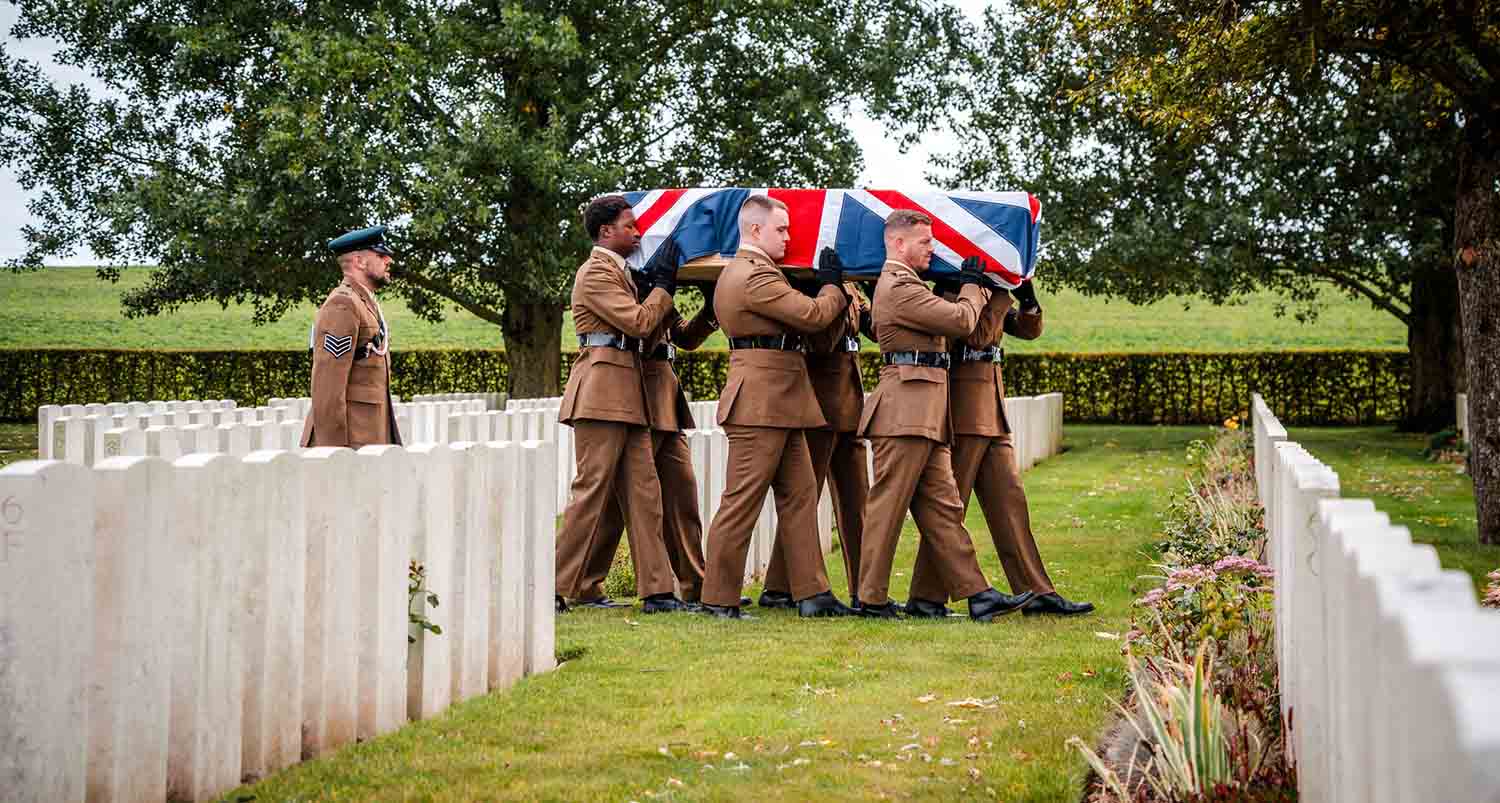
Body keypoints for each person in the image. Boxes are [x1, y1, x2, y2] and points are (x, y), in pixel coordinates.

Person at [854, 209, 1034, 622]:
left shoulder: (912, 284)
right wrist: (973, 284)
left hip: (927, 409)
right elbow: (961, 320)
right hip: (904, 409)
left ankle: (979, 594)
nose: (933, 249)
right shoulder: (898, 285)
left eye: (935, 241)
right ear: (899, 244)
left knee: (944, 507)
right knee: (888, 506)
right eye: (925, 242)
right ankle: (871, 598)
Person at [699, 195, 853, 619]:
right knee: (742, 501)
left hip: (780, 401)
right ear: (754, 231)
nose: (789, 237)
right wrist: (832, 285)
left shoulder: (762, 273)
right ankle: (718, 597)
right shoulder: (753, 276)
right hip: (760, 404)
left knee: (800, 497)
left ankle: (812, 593)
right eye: (781, 230)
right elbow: (813, 314)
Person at [905, 275, 1095, 617]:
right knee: (952, 504)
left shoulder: (987, 292)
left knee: (1010, 502)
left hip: (991, 405)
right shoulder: (954, 290)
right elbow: (975, 334)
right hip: (964, 406)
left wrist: (1028, 300)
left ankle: (1035, 591)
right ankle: (925, 596)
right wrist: (994, 291)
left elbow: (1026, 330)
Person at [571, 240, 722, 609]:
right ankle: (584, 583)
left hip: (663, 392)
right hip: (634, 387)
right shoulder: (628, 285)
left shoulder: (648, 287)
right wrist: (659, 287)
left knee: (681, 494)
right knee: (625, 499)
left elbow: (683, 338)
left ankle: (696, 585)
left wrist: (711, 308)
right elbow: (640, 325)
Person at [553, 195, 685, 615]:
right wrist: (662, 287)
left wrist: (658, 290)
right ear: (606, 231)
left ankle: (658, 590)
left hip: (629, 394)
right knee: (591, 492)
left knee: (645, 492)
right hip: (601, 393)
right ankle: (554, 586)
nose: (638, 232)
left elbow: (649, 333)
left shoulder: (622, 275)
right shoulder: (595, 273)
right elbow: (640, 323)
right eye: (630, 226)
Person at [758, 278, 871, 610]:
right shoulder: (809, 283)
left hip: (848, 401)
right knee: (805, 497)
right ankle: (779, 586)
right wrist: (832, 289)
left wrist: (867, 297)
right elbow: (820, 339)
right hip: (819, 403)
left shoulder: (847, 283)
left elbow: (876, 330)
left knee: (857, 500)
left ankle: (866, 588)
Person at [302, 224, 402, 449]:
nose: (389, 261)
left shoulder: (364, 302)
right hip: (349, 444)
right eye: (381, 255)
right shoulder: (343, 304)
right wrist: (333, 454)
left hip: (369, 439)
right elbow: (328, 386)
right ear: (359, 261)